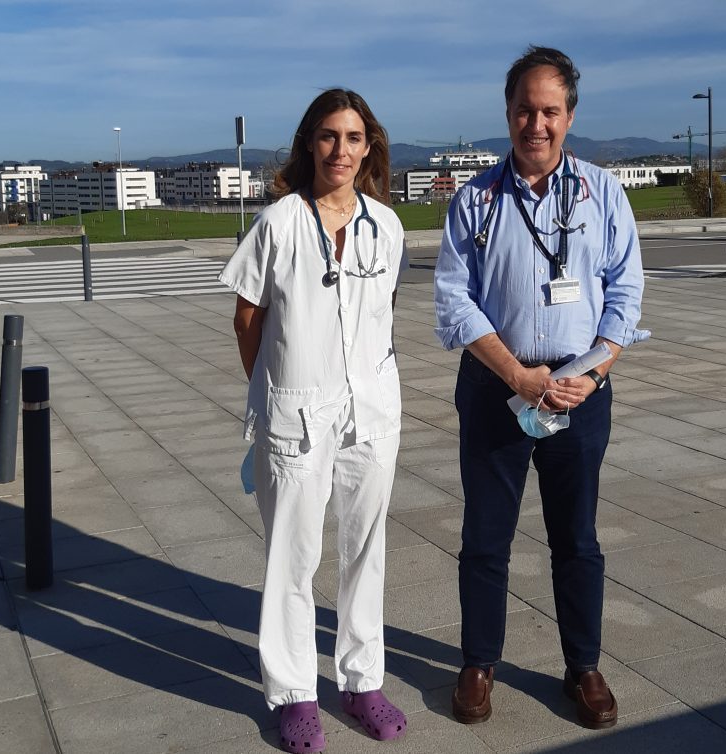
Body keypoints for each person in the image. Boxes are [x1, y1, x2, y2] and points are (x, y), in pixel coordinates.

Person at [434, 46, 646, 730]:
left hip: (579, 391)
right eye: (525, 110)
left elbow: (626, 294)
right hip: (497, 386)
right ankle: (478, 664)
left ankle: (583, 667)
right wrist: (518, 376)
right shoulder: (476, 200)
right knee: (485, 536)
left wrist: (592, 372)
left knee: (577, 537)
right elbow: (455, 300)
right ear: (508, 113)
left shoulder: (603, 194)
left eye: (550, 111)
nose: (537, 124)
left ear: (570, 117)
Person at [218, 88, 409, 754]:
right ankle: (294, 692)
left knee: (366, 550)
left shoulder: (386, 227)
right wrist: (273, 386)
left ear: (369, 146)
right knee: (292, 558)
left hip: (371, 413)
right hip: (295, 413)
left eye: (353, 138)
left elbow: (382, 314)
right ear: (309, 143)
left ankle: (361, 681)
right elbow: (246, 319)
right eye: (329, 136)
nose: (341, 150)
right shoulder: (279, 223)